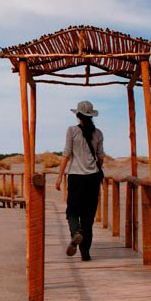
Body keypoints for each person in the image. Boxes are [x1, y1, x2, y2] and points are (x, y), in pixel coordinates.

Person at [55, 100, 105, 261]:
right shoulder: (98, 133)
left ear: (78, 115)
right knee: (88, 216)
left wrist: (59, 177)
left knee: (72, 211)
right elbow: (101, 156)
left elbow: (67, 154)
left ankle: (75, 233)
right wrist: (95, 168)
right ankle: (85, 253)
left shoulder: (72, 131)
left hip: (76, 177)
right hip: (92, 178)